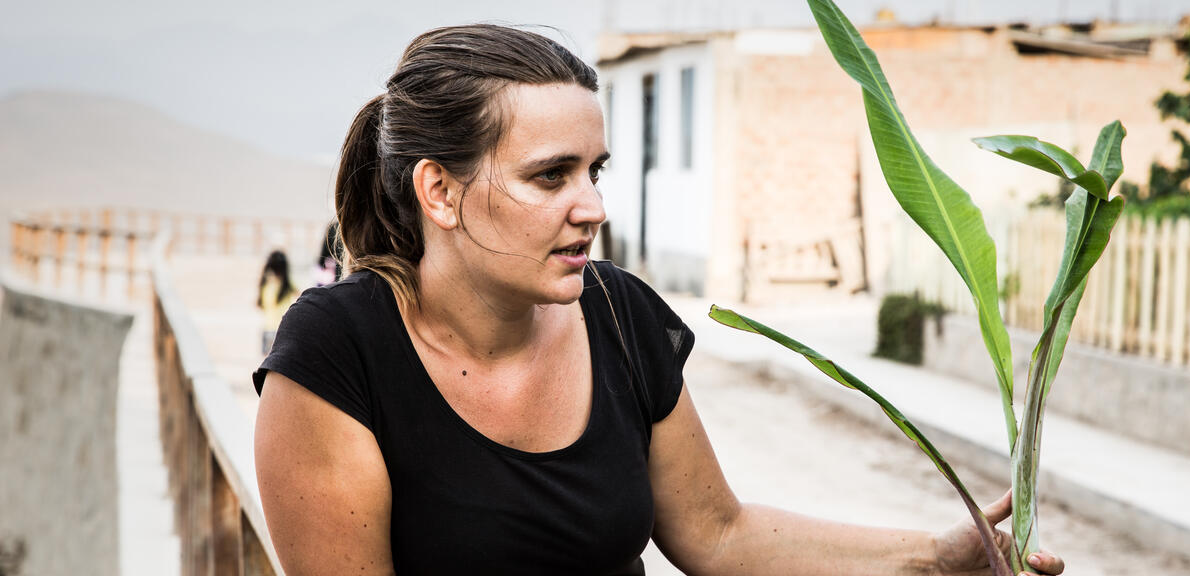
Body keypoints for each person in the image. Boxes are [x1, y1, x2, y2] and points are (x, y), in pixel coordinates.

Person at [252, 24, 1065, 576]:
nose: (593, 206)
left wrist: (933, 557)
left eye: (593, 171)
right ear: (439, 189)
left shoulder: (620, 315)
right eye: (550, 174)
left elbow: (716, 532)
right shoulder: (337, 352)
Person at [257, 249, 298, 355]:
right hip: (281, 330)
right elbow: (300, 295)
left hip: (267, 328)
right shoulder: (287, 285)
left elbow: (259, 304)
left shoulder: (265, 284)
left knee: (266, 362)